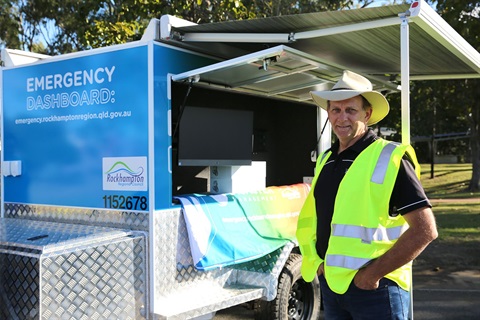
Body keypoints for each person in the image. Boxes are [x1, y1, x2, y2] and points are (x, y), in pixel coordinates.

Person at [296, 70, 438, 319]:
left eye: (350, 110)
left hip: (376, 290)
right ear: (328, 113)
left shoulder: (389, 157)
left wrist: (372, 275)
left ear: (367, 114)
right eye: (336, 110)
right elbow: (317, 220)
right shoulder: (326, 160)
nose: (342, 118)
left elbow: (425, 230)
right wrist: (318, 264)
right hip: (333, 286)